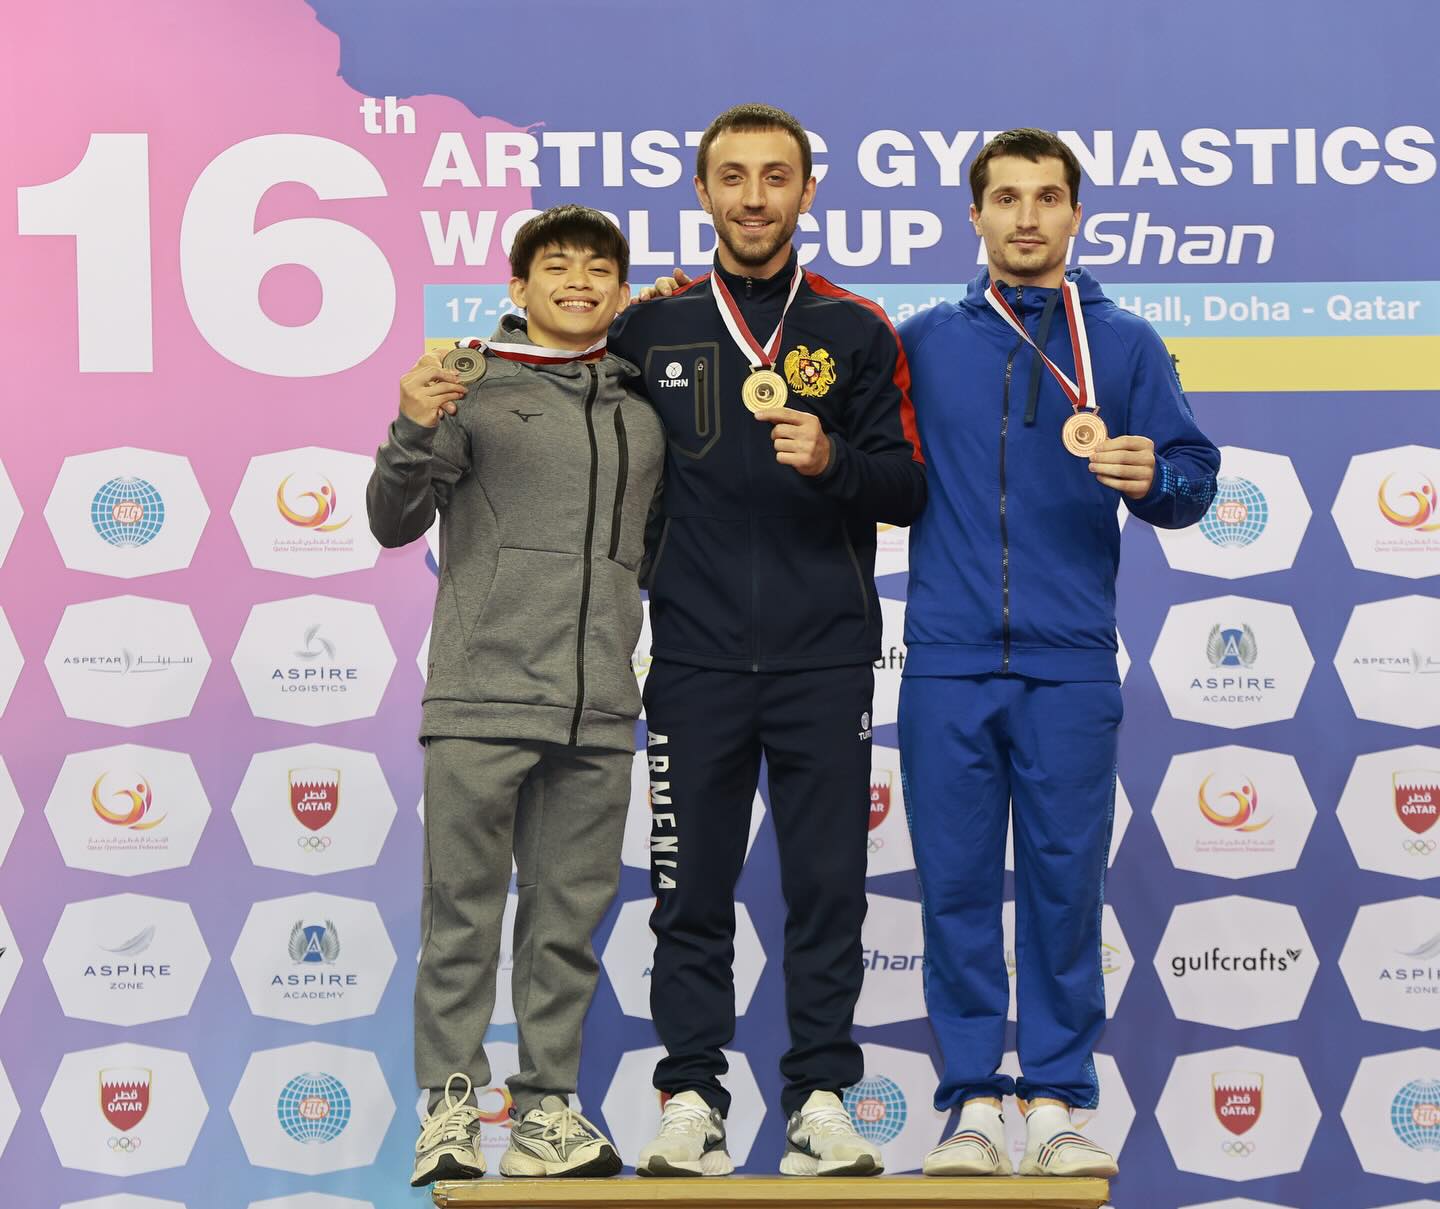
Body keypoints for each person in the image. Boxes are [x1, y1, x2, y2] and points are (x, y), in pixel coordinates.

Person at [607, 102, 927, 1177]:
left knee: (828, 890)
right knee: (688, 893)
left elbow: (908, 487)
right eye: (734, 177)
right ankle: (692, 1096)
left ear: (807, 191)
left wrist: (834, 461)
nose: (754, 198)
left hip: (823, 658)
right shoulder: (649, 329)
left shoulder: (855, 328)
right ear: (702, 191)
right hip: (693, 658)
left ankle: (820, 1100)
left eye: (775, 177)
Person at [896, 128, 1220, 1179]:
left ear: (1077, 214)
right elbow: (848, 434)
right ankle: (971, 1102)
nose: (1027, 216)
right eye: (1007, 197)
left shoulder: (1122, 342)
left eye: (1047, 197)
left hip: (1071, 661)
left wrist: (1155, 478)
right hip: (947, 659)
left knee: (1064, 889)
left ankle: (1057, 1098)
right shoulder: (921, 341)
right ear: (975, 215)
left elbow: (1193, 474)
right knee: (952, 890)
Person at [366, 205, 666, 1184]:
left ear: (621, 293)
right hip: (481, 696)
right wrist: (412, 426)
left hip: (598, 707)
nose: (578, 280)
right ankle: (452, 1104)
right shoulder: (470, 386)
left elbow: (653, 546)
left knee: (565, 927)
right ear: (518, 288)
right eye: (556, 266)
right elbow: (392, 518)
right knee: (461, 913)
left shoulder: (639, 410)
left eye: (598, 268)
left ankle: (546, 1111)